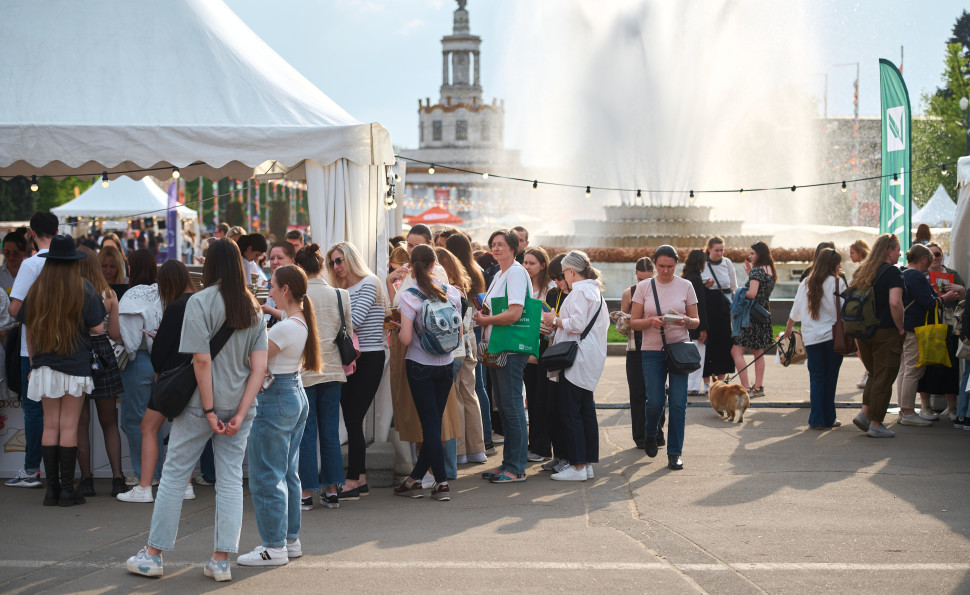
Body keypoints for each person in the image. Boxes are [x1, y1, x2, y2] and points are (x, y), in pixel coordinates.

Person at [126, 238, 268, 582]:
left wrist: (209, 410)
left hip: (198, 406)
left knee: (174, 476)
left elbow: (201, 361)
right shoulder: (253, 306)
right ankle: (221, 560)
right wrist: (239, 412)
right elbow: (259, 368)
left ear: (209, 265)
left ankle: (153, 555)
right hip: (239, 406)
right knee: (230, 481)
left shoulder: (200, 302)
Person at [238, 264, 318, 566]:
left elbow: (252, 359)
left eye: (272, 285)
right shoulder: (296, 321)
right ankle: (288, 541)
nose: (269, 290)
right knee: (286, 473)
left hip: (277, 398)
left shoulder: (286, 326)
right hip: (292, 393)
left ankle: (273, 547)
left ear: (285, 289)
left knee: (266, 476)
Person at [20, 236, 106, 506]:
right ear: (73, 262)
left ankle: (51, 491)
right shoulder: (83, 287)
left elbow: (29, 331)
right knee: (69, 426)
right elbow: (98, 328)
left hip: (44, 363)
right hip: (75, 364)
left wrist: (33, 364)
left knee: (50, 424)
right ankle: (67, 491)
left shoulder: (37, 289)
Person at [117, 260, 197, 503]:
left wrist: (159, 339)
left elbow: (160, 351)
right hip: (194, 376)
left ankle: (144, 487)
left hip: (171, 377)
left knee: (148, 428)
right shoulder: (199, 302)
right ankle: (186, 485)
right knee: (183, 433)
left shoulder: (175, 307)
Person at [393, 244, 462, 500]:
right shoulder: (451, 292)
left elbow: (405, 338)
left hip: (419, 364)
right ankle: (415, 478)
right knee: (434, 422)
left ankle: (441, 482)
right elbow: (459, 332)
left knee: (430, 424)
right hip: (446, 364)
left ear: (411, 265)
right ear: (435, 265)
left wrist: (398, 327)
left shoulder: (409, 296)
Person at [629, 245, 700, 471]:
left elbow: (696, 320)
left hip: (679, 349)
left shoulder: (686, 285)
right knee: (655, 400)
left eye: (670, 266)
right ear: (654, 264)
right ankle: (651, 433)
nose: (666, 270)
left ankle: (675, 453)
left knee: (678, 403)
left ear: (677, 264)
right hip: (652, 350)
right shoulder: (644, 287)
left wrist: (686, 321)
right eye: (661, 266)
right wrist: (651, 321)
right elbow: (633, 322)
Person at [540, 251, 609, 481]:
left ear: (570, 271)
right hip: (589, 357)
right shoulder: (594, 291)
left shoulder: (580, 291)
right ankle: (585, 464)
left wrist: (554, 320)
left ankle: (578, 466)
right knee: (584, 411)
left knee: (571, 412)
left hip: (577, 359)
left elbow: (576, 324)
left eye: (563, 273)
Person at [473, 229, 534, 484]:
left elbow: (515, 313)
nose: (496, 248)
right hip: (498, 346)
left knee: (511, 406)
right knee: (504, 405)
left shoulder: (516, 273)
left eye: (501, 244)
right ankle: (508, 463)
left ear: (513, 248)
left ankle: (516, 467)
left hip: (510, 347)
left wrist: (486, 320)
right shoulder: (500, 273)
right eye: (493, 244)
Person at [327, 241, 386, 497]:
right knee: (352, 419)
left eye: (339, 260)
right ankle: (359, 479)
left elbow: (355, 321)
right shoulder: (341, 290)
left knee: (353, 418)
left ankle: (354, 479)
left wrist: (329, 321)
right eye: (332, 262)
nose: (336, 266)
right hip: (349, 358)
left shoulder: (370, 282)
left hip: (370, 356)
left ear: (351, 258)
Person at [6, 211, 59, 490]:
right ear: (57, 231)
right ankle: (60, 474)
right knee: (63, 412)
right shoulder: (69, 261)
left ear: (32, 233)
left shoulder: (31, 265)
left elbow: (15, 309)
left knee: (34, 409)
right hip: (67, 346)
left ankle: (31, 470)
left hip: (34, 348)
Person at [296, 243, 351, 510]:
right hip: (333, 369)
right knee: (330, 431)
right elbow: (348, 329)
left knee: (306, 432)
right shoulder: (341, 295)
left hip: (305, 370)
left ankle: (306, 492)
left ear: (299, 268)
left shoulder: (298, 295)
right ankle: (331, 490)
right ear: (322, 266)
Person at [74, 246, 127, 498]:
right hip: (103, 355)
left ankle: (86, 479)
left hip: (77, 354)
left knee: (80, 423)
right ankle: (118, 478)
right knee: (109, 423)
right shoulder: (109, 293)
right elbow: (115, 333)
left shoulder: (72, 293)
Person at [783, 248, 848, 429]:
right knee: (831, 377)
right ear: (832, 264)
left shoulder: (805, 283)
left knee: (817, 378)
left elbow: (795, 310)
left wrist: (788, 329)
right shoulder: (837, 283)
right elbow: (845, 310)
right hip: (833, 337)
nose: (840, 266)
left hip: (811, 338)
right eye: (838, 263)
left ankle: (817, 419)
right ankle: (830, 417)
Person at [896, 244, 959, 428]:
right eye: (928, 262)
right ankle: (908, 412)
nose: (929, 267)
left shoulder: (902, 272)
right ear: (923, 259)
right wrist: (945, 298)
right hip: (917, 328)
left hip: (904, 326)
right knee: (913, 370)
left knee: (904, 370)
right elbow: (930, 304)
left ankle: (903, 410)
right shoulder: (916, 276)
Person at [850, 234, 905, 438]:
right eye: (897, 249)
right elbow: (895, 303)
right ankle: (875, 423)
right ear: (889, 251)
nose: (900, 253)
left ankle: (865, 414)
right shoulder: (893, 272)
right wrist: (901, 328)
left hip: (863, 330)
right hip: (886, 331)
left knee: (874, 374)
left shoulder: (862, 270)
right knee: (884, 377)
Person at [117, 249, 164, 485]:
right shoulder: (162, 292)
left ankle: (143, 474)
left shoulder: (130, 296)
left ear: (132, 268)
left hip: (137, 361)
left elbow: (127, 338)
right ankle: (156, 472)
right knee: (155, 423)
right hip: (161, 362)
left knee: (135, 421)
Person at [435, 246, 485, 465]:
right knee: (469, 393)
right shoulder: (461, 287)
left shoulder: (446, 289)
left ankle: (460, 451)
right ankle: (477, 449)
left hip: (455, 344)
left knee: (455, 396)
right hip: (468, 340)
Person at [446, 232, 494, 455]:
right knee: (475, 388)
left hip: (460, 331)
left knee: (458, 391)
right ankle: (482, 443)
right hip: (475, 329)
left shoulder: (454, 274)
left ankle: (462, 449)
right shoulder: (477, 271)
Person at [916, 242, 966, 421]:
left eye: (937, 254)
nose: (934, 258)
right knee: (926, 366)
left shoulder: (952, 274)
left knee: (950, 367)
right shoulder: (921, 275)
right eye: (930, 255)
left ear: (942, 255)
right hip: (928, 325)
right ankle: (925, 406)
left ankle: (952, 408)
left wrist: (961, 291)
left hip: (949, 326)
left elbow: (964, 300)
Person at [617, 257, 657, 449]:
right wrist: (625, 322)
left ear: (653, 275)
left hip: (656, 347)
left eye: (647, 279)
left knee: (656, 394)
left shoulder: (659, 291)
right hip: (635, 348)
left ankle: (657, 433)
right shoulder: (629, 293)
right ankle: (640, 437)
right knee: (637, 394)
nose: (643, 284)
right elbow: (621, 327)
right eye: (640, 279)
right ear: (635, 275)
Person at [731, 241, 776, 397]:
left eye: (752, 253)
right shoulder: (770, 269)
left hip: (750, 317)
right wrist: (750, 274)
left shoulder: (757, 270)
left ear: (759, 254)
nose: (749, 256)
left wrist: (738, 292)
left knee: (736, 350)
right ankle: (758, 387)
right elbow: (762, 290)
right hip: (762, 314)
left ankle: (745, 388)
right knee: (758, 352)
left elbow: (752, 293)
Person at [522, 246, 553, 462]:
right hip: (525, 343)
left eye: (532, 263)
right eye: (525, 262)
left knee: (541, 397)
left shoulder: (550, 288)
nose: (527, 267)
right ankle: (534, 444)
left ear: (543, 265)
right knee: (531, 396)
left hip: (544, 344)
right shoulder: (522, 284)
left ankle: (542, 447)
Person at [700, 236, 736, 392]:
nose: (720, 253)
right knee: (708, 344)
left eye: (722, 250)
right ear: (709, 249)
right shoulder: (702, 263)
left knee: (724, 345)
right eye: (716, 250)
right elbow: (695, 286)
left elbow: (733, 286)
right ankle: (707, 382)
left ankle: (721, 382)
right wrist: (705, 286)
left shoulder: (727, 263)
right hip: (708, 306)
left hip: (724, 307)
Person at [681, 250, 709, 397]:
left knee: (687, 357)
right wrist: (703, 328)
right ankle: (693, 386)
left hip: (686, 325)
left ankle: (687, 385)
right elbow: (700, 306)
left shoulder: (686, 278)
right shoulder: (696, 279)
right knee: (698, 357)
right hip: (696, 325)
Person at [260, 241, 296, 326]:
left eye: (280, 258)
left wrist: (269, 310)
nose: (275, 262)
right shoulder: (267, 286)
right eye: (272, 258)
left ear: (292, 260)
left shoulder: (298, 286)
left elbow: (295, 317)